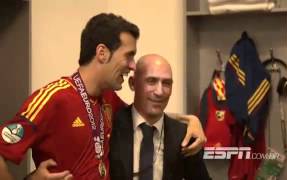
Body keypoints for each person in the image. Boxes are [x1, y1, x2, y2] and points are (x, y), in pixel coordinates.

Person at [0, 13, 206, 180]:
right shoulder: (53, 98)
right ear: (102, 53)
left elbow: (146, 113)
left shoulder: (108, 99)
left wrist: (191, 120)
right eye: (129, 55)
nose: (133, 65)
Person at [109, 54, 211, 180]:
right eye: (151, 81)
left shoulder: (184, 136)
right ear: (132, 83)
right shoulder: (110, 127)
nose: (160, 92)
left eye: (166, 83)